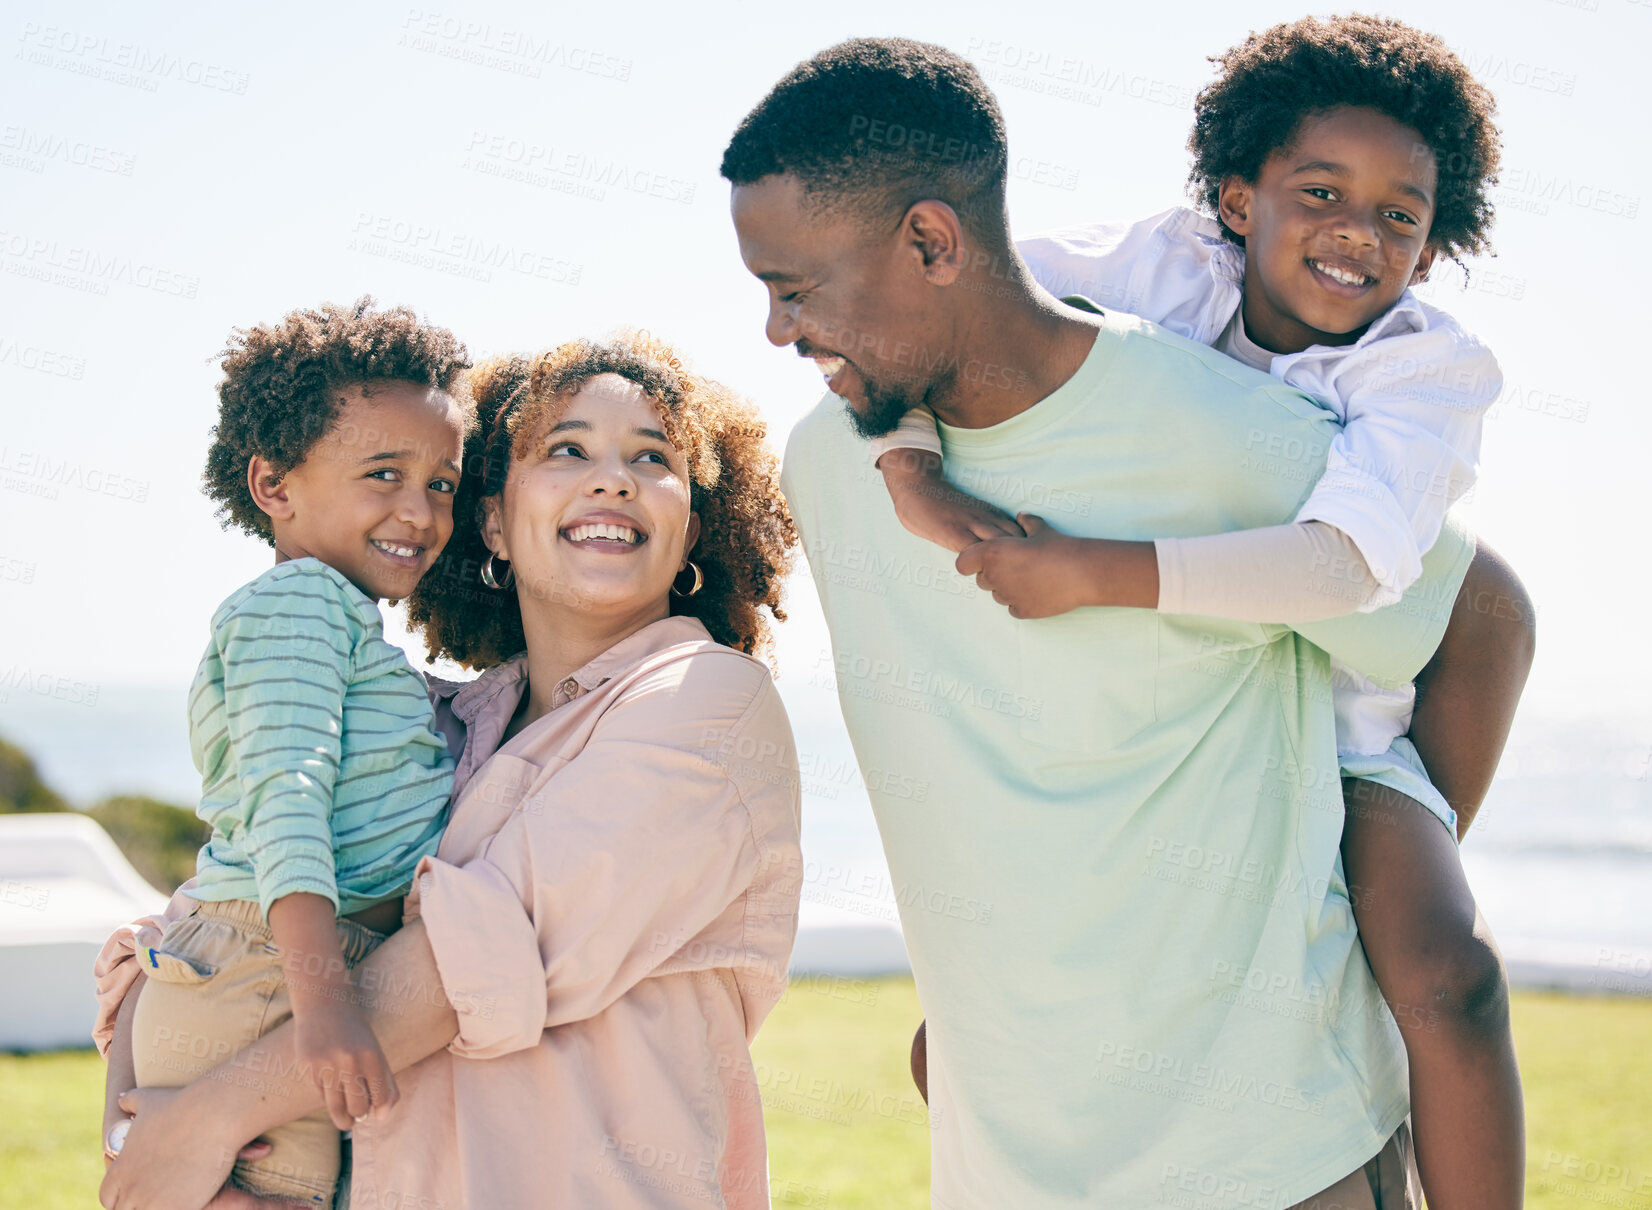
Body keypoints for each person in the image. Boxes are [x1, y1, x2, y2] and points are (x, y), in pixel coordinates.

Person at [725, 37, 1524, 1208]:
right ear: (1239, 199)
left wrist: (1361, 850)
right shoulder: (839, 450)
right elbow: (1008, 298)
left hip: (1356, 728)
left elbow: (1467, 607)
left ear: (933, 243)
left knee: (1443, 976)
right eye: (1317, 194)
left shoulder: (1346, 405)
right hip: (1013, 1163)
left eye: (797, 290)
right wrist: (902, 463)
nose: (778, 331)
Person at [96, 333, 803, 1210]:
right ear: (495, 523)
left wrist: (199, 1124)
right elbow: (202, 918)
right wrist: (139, 1133)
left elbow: (463, 964)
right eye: (568, 449)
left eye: (652, 458)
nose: (614, 480)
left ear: (689, 529)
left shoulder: (709, 705)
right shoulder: (430, 726)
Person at [106, 298, 471, 1204]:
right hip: (275, 975)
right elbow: (286, 800)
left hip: (294, 967)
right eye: (383, 473)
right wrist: (325, 1003)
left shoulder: (338, 620)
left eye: (442, 483)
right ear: (274, 485)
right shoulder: (300, 604)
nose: (419, 510)